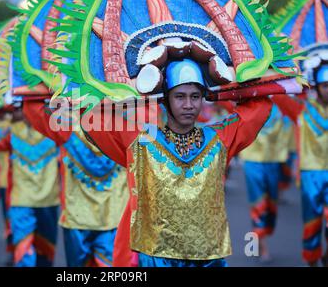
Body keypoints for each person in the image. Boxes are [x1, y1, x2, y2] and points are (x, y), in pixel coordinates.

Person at [82, 58, 272, 267]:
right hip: (157, 258)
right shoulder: (141, 141)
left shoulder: (220, 138)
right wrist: (136, 85)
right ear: (165, 99)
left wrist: (225, 80)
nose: (189, 105)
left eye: (196, 97)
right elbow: (90, 115)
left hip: (208, 258)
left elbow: (259, 105)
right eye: (180, 97)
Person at [23, 99, 129, 267]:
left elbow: (33, 109)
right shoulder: (126, 124)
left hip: (77, 218)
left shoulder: (66, 126)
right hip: (114, 217)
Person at [273, 65, 328, 267]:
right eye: (325, 86)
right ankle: (312, 261)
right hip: (310, 174)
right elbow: (279, 96)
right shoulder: (301, 109)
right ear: (317, 86)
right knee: (312, 221)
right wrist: (285, 71)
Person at [0, 106, 61, 267]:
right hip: (21, 199)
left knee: (46, 253)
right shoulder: (11, 131)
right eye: (26, 106)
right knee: (23, 251)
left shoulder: (56, 128)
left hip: (48, 200)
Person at [239, 104, 293, 262]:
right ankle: (261, 247)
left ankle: (259, 238)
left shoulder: (280, 107)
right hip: (252, 161)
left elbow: (288, 128)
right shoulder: (247, 105)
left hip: (273, 160)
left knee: (270, 205)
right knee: (258, 203)